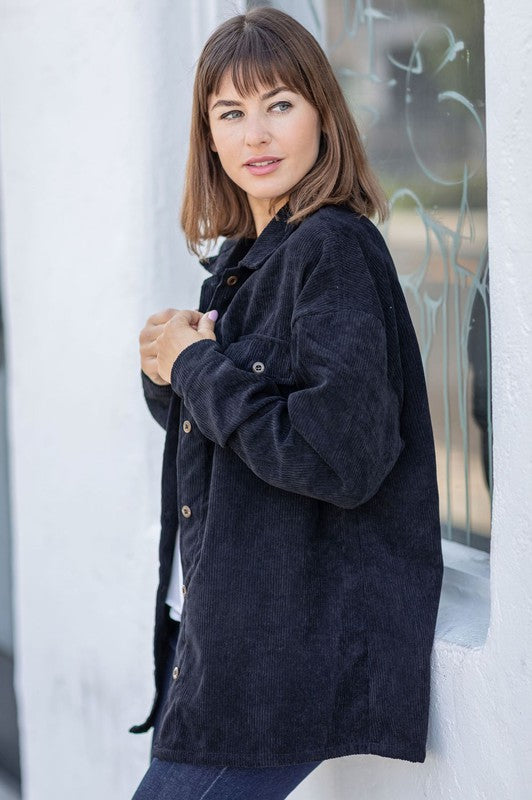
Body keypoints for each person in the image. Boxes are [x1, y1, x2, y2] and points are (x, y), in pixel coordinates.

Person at [130, 6, 444, 799]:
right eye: (231, 113)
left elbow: (337, 457)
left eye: (279, 105)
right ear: (208, 137)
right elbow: (235, 439)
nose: (256, 134)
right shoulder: (244, 262)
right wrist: (168, 371)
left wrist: (199, 366)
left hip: (277, 667)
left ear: (321, 115)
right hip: (230, 648)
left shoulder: (332, 248)